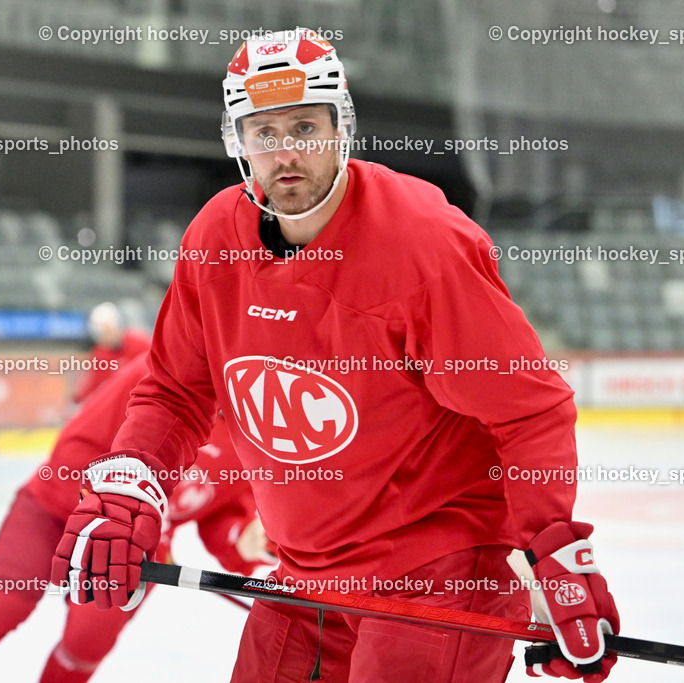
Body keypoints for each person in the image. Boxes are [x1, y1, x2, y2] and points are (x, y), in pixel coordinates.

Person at [52, 28, 618, 683]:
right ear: (239, 142)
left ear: (341, 127)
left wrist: (554, 552)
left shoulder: (423, 246)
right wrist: (133, 483)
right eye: (264, 133)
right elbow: (176, 390)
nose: (285, 152)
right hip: (306, 571)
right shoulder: (215, 238)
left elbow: (531, 410)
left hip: (438, 572)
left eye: (304, 127)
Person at [0, 351, 270, 683]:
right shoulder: (165, 373)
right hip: (52, 510)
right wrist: (118, 515)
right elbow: (73, 450)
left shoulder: (258, 437)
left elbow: (222, 515)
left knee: (88, 642)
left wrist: (243, 539)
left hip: (136, 547)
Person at [72, 302, 150, 403]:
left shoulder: (140, 343)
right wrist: (79, 399)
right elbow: (95, 384)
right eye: (102, 333)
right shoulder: (100, 354)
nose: (107, 336)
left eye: (109, 330)